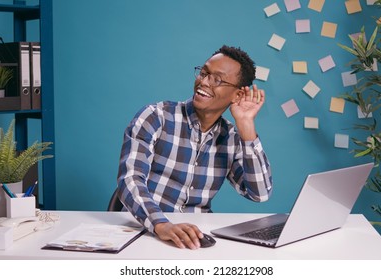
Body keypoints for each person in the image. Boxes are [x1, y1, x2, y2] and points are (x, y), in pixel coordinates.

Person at [115, 45, 273, 249]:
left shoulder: (232, 137)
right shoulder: (156, 117)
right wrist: (161, 224)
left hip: (195, 238)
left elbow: (259, 193)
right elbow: (130, 179)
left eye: (217, 79)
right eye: (204, 72)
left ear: (237, 95)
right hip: (145, 230)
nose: (204, 82)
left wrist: (246, 126)